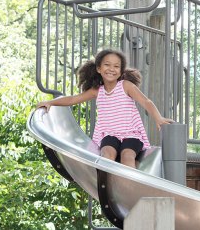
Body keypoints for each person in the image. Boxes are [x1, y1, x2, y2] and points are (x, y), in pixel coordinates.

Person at [37, 48, 173, 168]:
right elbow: (73, 99)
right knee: (106, 154)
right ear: (98, 68)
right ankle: (108, 184)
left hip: (131, 134)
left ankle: (130, 186)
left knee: (127, 156)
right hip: (109, 134)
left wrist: (158, 118)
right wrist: (51, 103)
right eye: (107, 65)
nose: (111, 69)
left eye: (116, 66)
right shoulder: (97, 91)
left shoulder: (126, 86)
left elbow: (146, 101)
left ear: (120, 71)